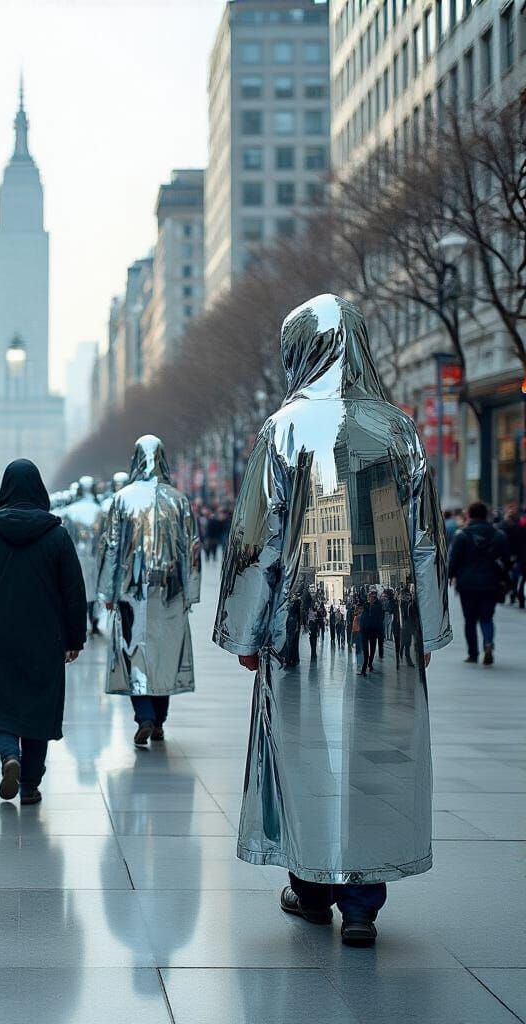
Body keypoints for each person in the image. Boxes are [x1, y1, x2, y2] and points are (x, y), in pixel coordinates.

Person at [214, 294, 450, 948]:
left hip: (303, 621)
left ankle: (313, 887)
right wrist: (427, 631)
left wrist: (243, 633)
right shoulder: (400, 430)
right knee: (378, 755)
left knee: (300, 750)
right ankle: (365, 902)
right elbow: (426, 538)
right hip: (387, 621)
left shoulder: (282, 429)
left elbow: (257, 544)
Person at [0, 459, 86, 805]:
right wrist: (75, 638)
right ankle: (30, 783)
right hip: (46, 637)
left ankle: (8, 754)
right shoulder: (57, 535)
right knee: (38, 707)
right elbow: (74, 591)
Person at [98, 435, 201, 749]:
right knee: (165, 654)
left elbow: (112, 548)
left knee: (134, 653)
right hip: (170, 590)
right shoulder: (178, 500)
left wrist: (107, 592)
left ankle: (143, 715)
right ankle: (158, 720)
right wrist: (191, 592)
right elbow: (192, 549)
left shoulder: (122, 499)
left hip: (131, 592)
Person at [447, 500, 509, 665]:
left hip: (467, 583)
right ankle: (488, 643)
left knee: (470, 620)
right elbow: (506, 560)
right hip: (491, 583)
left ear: (469, 515)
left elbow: (454, 560)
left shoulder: (462, 535)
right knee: (487, 617)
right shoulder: (498, 535)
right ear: (486, 515)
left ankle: (473, 653)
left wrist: (450, 576)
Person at [59, 475, 105, 635]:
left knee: (76, 590)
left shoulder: (70, 511)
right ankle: (94, 620)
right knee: (94, 590)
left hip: (75, 557)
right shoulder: (99, 510)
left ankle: (76, 622)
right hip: (95, 558)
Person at [358, 589, 384, 676]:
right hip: (365, 630)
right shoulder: (366, 605)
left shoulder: (378, 606)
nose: (371, 598)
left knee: (372, 649)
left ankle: (369, 664)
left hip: (373, 631)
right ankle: (364, 668)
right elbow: (363, 615)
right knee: (366, 650)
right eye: (370, 596)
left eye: (373, 596)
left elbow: (380, 618)